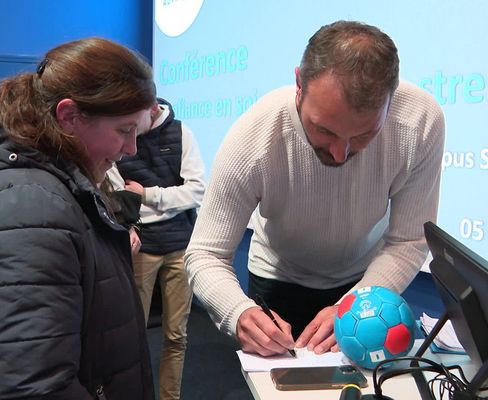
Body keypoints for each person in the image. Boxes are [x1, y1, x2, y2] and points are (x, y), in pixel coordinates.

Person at [185, 20, 445, 357]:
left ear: (390, 102)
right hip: (278, 280)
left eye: (364, 134)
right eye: (325, 131)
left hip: (368, 280)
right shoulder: (254, 136)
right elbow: (205, 253)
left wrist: (354, 302)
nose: (341, 154)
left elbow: (408, 241)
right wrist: (238, 312)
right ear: (298, 84)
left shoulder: (421, 122)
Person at [0, 37, 157, 399]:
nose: (131, 148)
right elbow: (37, 389)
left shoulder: (50, 189)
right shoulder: (27, 206)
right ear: (68, 116)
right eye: (124, 130)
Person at [108, 97, 206, 400]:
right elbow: (114, 190)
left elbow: (196, 191)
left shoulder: (181, 133)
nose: (132, 137)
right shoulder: (122, 134)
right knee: (132, 335)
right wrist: (130, 223)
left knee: (177, 336)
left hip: (179, 245)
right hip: (140, 246)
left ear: (152, 110)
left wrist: (148, 194)